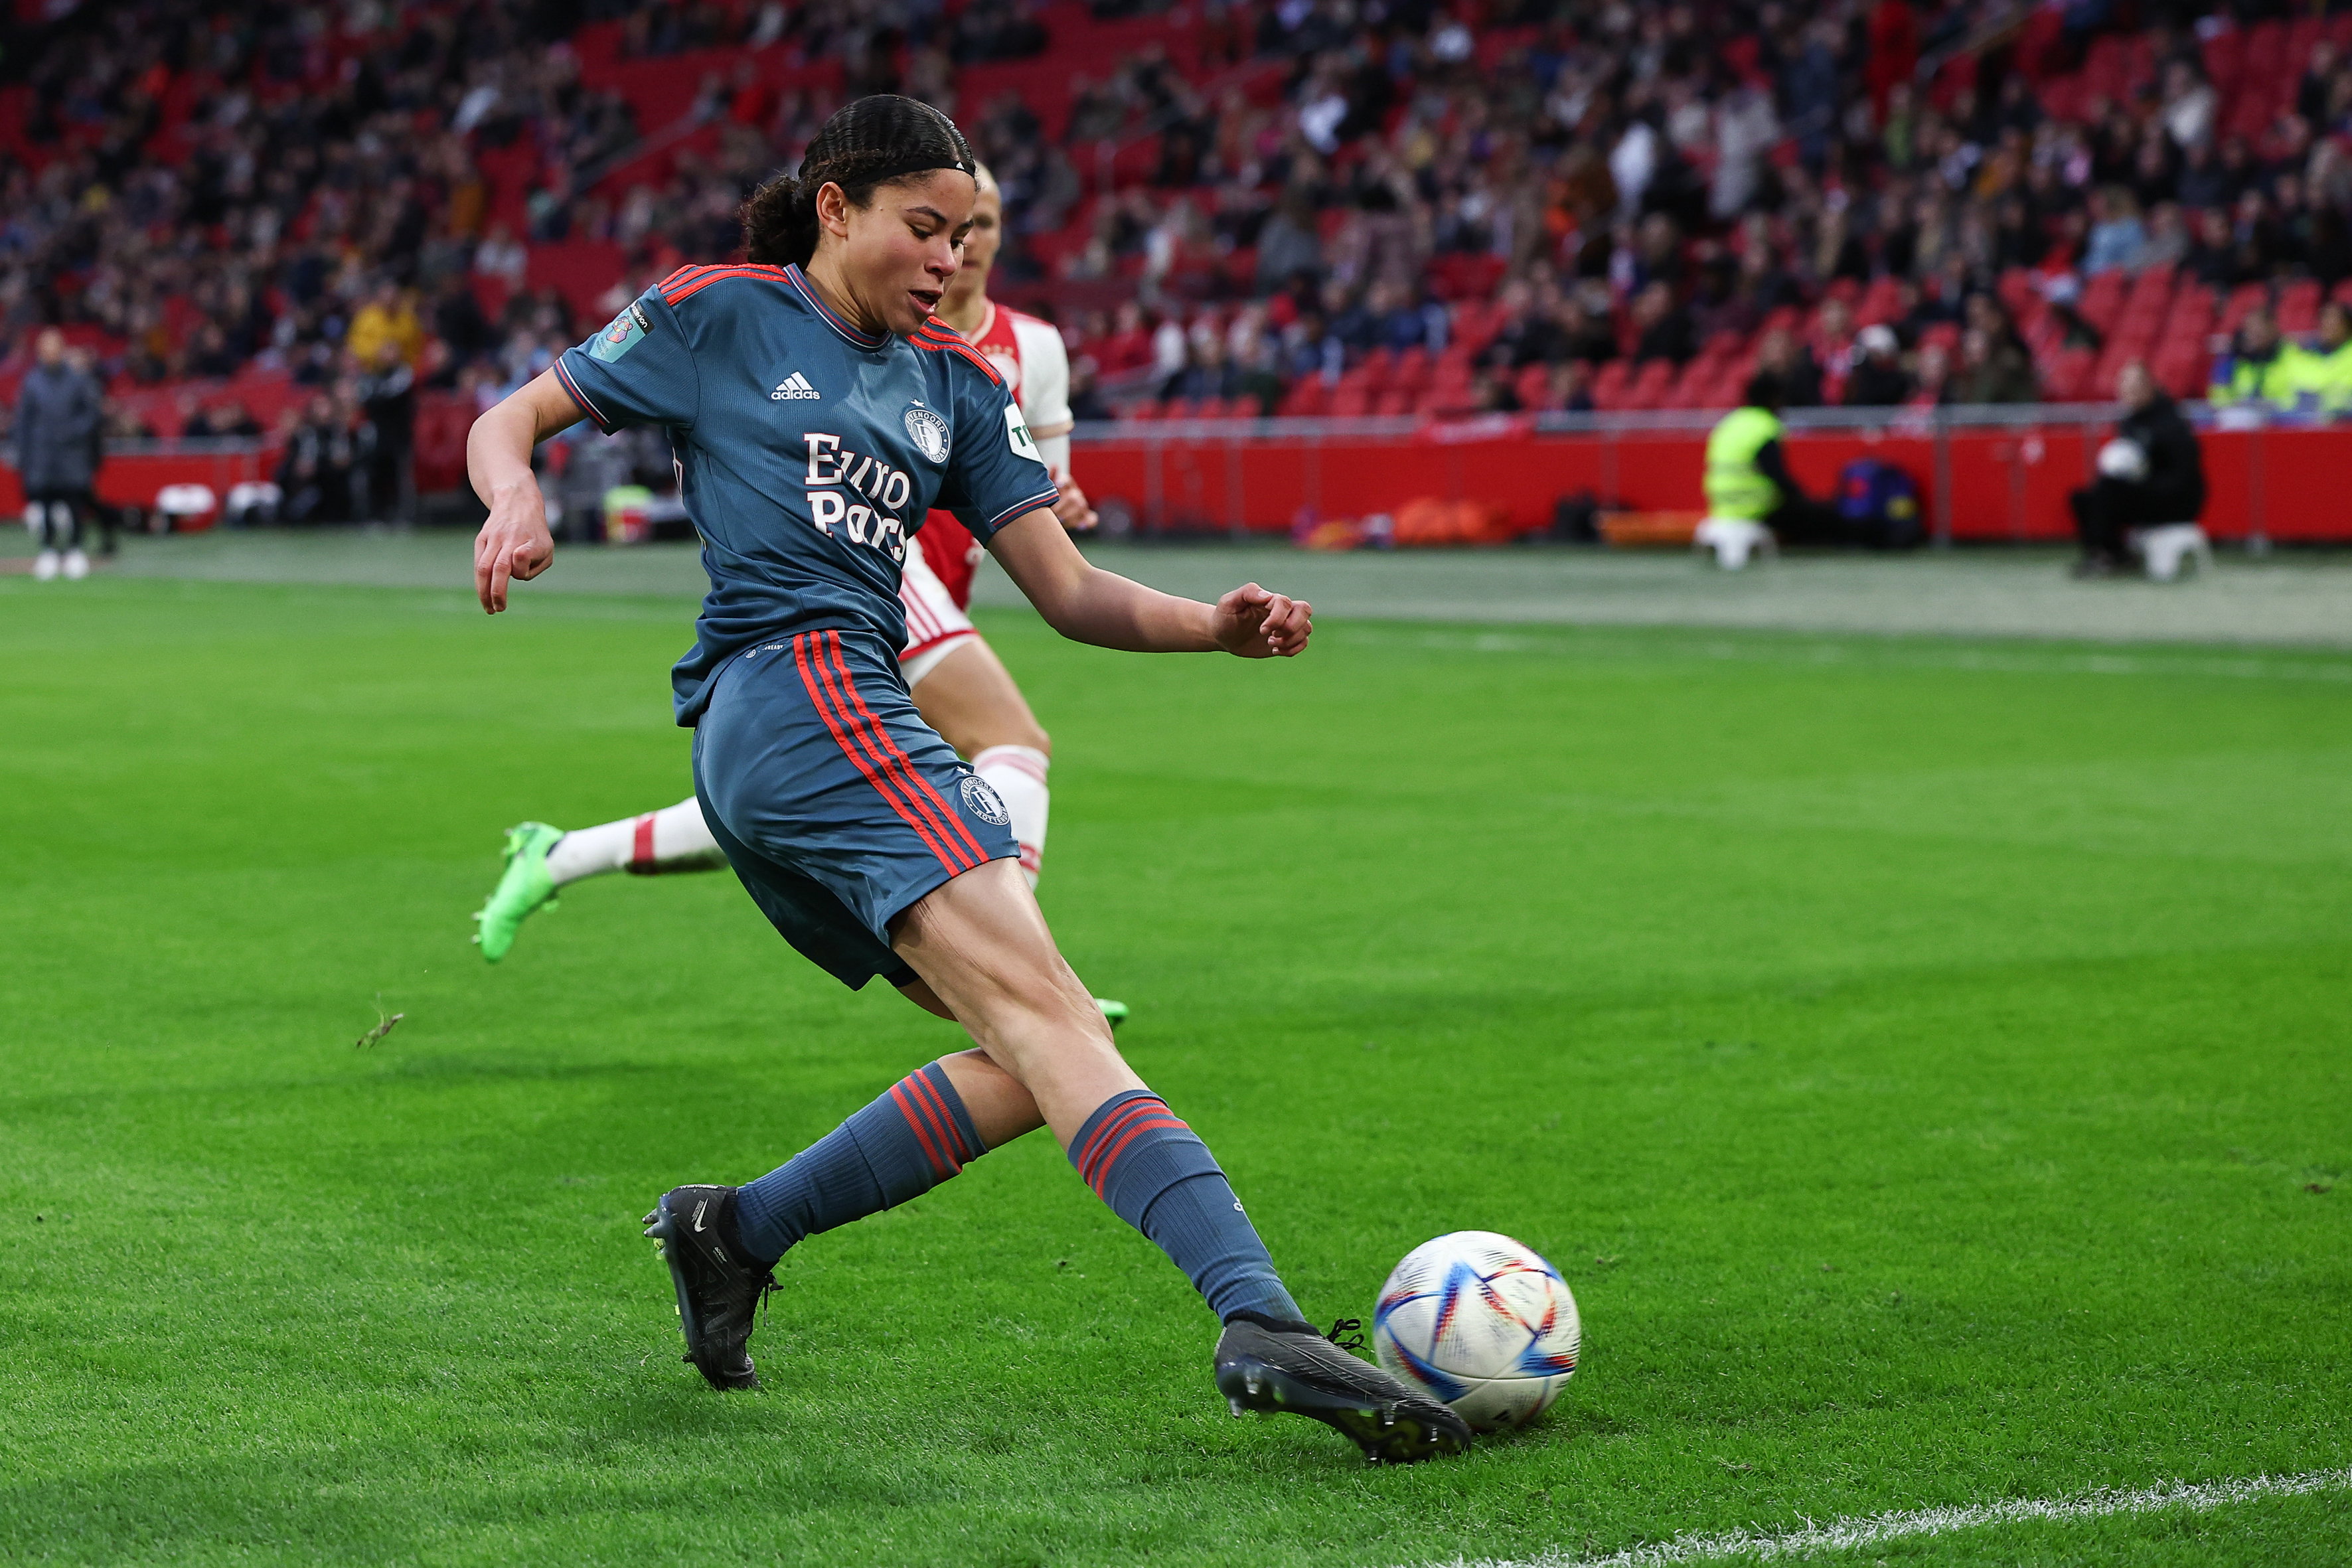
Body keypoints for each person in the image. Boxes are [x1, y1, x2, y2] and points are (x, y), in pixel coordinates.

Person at [463, 96, 1469, 1463]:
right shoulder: (726, 311)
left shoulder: (953, 385)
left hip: (820, 721)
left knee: (1034, 1050)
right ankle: (1260, 1320)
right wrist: (511, 491)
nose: (948, 260)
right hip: (799, 686)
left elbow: (1065, 589)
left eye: (966, 234)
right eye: (920, 228)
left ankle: (732, 1228)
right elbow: (511, 415)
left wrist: (1209, 624)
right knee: (1059, 1012)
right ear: (836, 209)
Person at [473, 163, 1108, 997]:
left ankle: (559, 855)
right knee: (1014, 740)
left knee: (794, 798)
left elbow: (1049, 505)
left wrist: (1061, 505)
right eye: (942, 227)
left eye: (978, 228)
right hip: (872, 565)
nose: (964, 248)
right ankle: (1022, 969)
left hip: (939, 590)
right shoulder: (822, 327)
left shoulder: (1029, 350)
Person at [2069, 361, 2206, 578]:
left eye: (2133, 386)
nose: (2127, 391)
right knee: (2083, 498)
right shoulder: (2130, 422)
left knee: (2108, 491)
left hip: (2175, 499)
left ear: (2149, 387)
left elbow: (2185, 472)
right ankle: (2111, 553)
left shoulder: (2172, 421)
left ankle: (2109, 556)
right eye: (2123, 385)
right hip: (2142, 492)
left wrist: (2146, 484)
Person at [1703, 372, 1846, 546]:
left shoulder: (1730, 423)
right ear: (1774, 398)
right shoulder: (1764, 427)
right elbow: (1776, 475)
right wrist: (1805, 498)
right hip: (1755, 508)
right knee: (1821, 515)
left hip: (1721, 507)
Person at [14, 327, 102, 581]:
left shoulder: (77, 380)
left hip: (71, 455)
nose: (49, 353)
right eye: (45, 349)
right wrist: (24, 455)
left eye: (54, 348)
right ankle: (49, 551)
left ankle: (75, 551)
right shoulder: (32, 382)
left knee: (75, 504)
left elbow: (91, 414)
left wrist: (74, 432)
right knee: (44, 506)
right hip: (43, 456)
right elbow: (24, 421)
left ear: (61, 350)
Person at [2209, 306, 2297, 406]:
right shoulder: (2234, 362)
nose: (2251, 337)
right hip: (2245, 419)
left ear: (2272, 329)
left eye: (2257, 332)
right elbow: (2218, 401)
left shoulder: (2291, 356)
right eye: (2248, 331)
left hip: (2285, 420)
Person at [2284, 300, 2352, 417]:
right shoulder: (2303, 355)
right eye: (2324, 320)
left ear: (2348, 325)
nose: (2327, 325)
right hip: (2306, 420)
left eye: (2334, 321)